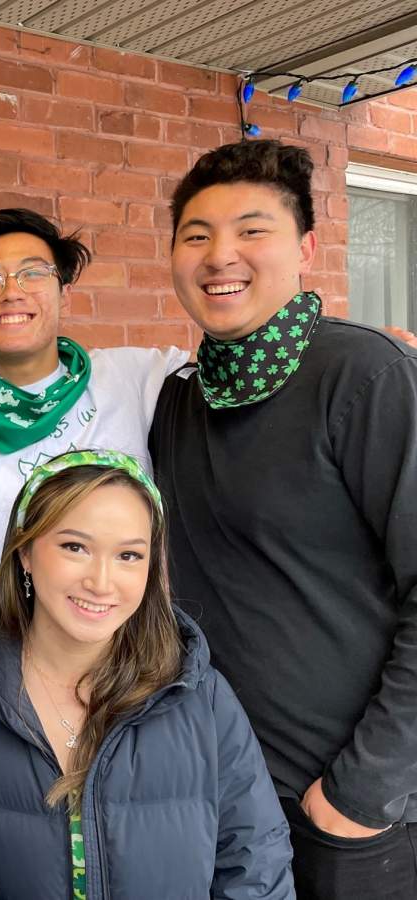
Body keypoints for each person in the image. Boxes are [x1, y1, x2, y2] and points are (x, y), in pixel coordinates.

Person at [149, 139, 417, 899]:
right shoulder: (182, 396)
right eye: (196, 234)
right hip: (228, 800)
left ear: (305, 247)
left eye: (251, 230)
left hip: (347, 815)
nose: (219, 254)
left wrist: (359, 794)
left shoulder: (364, 376)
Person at [0, 450, 295, 899]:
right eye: (75, 547)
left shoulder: (199, 695)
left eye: (129, 555)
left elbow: (255, 863)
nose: (102, 582)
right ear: (25, 552)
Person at [0, 209, 189, 587]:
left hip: (129, 637)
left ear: (66, 296)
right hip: (4, 639)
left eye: (33, 274)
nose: (12, 292)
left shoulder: (131, 375)